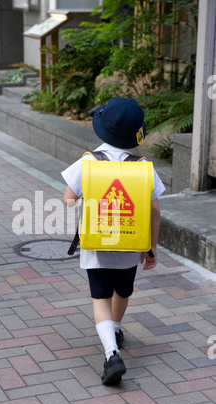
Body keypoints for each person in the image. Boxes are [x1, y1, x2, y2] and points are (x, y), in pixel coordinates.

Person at [61, 97, 165, 386]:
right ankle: (117, 328)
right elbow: (155, 211)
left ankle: (111, 352)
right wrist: (151, 247)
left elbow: (68, 199)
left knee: (100, 297)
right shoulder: (143, 167)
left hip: (97, 244)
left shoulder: (88, 162)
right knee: (123, 289)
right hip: (132, 244)